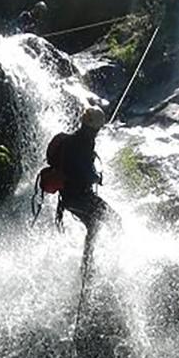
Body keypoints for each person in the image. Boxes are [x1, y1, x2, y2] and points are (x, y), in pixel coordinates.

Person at [57, 106, 114, 263]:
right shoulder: (80, 144)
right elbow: (86, 175)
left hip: (69, 198)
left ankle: (87, 268)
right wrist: (97, 178)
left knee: (93, 226)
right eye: (97, 129)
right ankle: (114, 262)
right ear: (94, 127)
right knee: (115, 221)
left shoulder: (76, 140)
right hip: (79, 197)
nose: (97, 132)